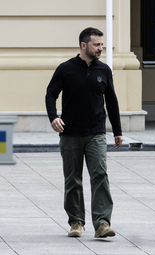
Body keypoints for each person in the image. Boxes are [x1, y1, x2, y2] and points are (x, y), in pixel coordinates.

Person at [45, 27, 123, 238]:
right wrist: (54, 117)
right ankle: (76, 222)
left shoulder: (104, 70)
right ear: (83, 45)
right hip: (70, 133)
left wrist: (117, 131)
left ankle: (102, 223)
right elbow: (51, 94)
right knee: (73, 179)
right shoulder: (65, 69)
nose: (100, 48)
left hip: (96, 132)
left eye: (101, 45)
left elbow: (112, 101)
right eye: (96, 44)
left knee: (100, 175)